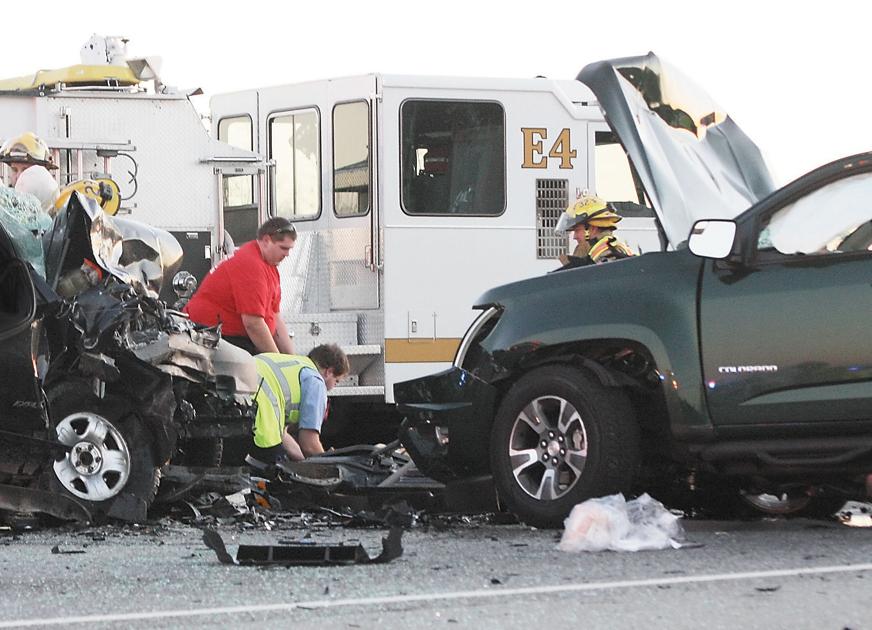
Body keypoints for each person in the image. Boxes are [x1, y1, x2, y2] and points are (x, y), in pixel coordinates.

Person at [184, 217, 297, 354]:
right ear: (266, 241)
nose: (287, 254)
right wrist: (276, 363)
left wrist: (292, 360)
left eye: (289, 249)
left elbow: (276, 318)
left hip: (233, 337)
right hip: (212, 335)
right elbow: (253, 324)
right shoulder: (250, 264)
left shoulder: (270, 266)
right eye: (283, 248)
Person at [245, 344, 350, 469]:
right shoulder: (316, 381)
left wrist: (303, 462)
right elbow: (309, 444)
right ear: (329, 372)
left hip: (239, 400)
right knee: (277, 475)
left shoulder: (294, 365)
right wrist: (327, 466)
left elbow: (283, 436)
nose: (332, 388)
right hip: (260, 413)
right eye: (336, 381)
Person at [554, 193, 635, 270]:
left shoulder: (608, 256)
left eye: (577, 230)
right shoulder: (598, 252)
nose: (574, 236)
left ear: (592, 228)